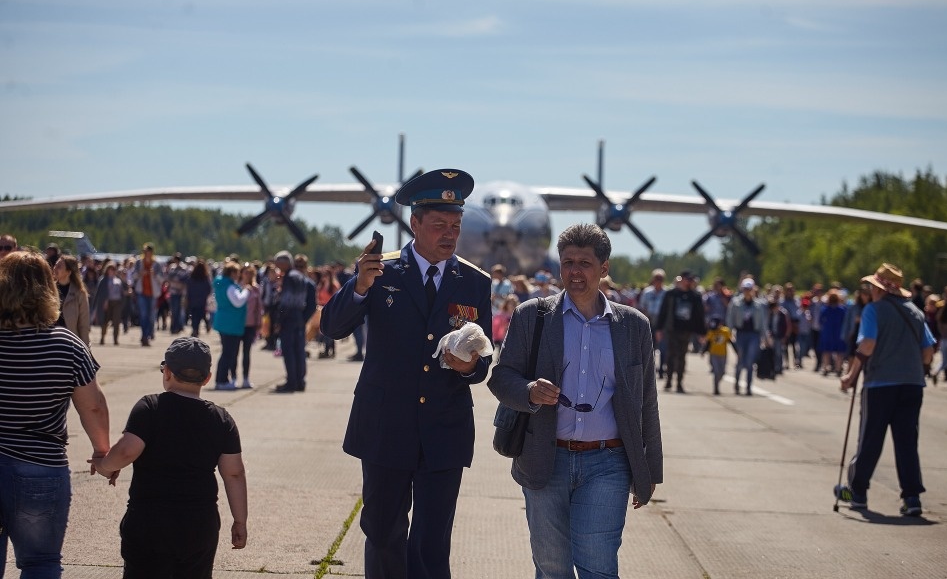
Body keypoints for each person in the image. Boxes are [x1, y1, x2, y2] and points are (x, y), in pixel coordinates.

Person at [320, 168, 492, 579]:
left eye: (455, 225)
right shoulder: (381, 272)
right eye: (439, 225)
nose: (449, 234)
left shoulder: (473, 281)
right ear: (415, 224)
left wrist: (471, 367)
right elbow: (331, 327)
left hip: (443, 430)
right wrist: (358, 287)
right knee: (382, 536)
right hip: (386, 428)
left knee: (431, 547)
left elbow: (482, 358)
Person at [487, 223, 663, 578]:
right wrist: (529, 392)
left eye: (584, 263)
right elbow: (501, 378)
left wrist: (650, 469)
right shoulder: (531, 316)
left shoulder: (633, 325)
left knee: (598, 566)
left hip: (608, 463)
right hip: (545, 460)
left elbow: (646, 400)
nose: (574, 272)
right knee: (552, 568)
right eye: (568, 262)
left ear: (604, 268)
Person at [94, 336, 248, 576]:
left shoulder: (150, 407)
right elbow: (234, 473)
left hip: (149, 521)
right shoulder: (221, 419)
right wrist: (240, 520)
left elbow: (126, 450)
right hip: (198, 523)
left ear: (166, 372)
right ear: (207, 378)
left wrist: (105, 465)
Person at [0, 250, 111, 577]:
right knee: (41, 563)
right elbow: (93, 405)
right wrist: (102, 451)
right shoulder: (67, 344)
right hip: (40, 468)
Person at [835, 263, 935, 517]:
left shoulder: (873, 311)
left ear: (879, 289)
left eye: (871, 286)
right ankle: (912, 498)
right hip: (912, 385)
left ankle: (857, 492)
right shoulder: (915, 312)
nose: (868, 290)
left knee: (870, 438)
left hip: (880, 384)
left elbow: (867, 344)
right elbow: (928, 350)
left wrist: (851, 375)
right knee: (906, 441)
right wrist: (916, 368)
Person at [655, 269, 706, 393]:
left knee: (682, 357)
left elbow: (700, 315)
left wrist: (702, 333)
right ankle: (669, 380)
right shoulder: (671, 294)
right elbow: (663, 311)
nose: (689, 282)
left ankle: (679, 382)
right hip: (672, 329)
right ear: (681, 279)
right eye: (687, 279)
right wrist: (659, 328)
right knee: (670, 355)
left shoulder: (695, 296)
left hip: (686, 330)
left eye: (691, 280)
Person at [272, 250, 315, 393]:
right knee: (299, 351)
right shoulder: (300, 277)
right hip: (299, 317)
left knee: (289, 351)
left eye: (279, 263)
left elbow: (286, 302)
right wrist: (303, 319)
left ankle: (291, 382)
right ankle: (299, 381)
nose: (277, 266)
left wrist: (279, 320)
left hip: (289, 318)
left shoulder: (289, 277)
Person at [726, 277, 769, 396]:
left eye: (749, 289)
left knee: (750, 362)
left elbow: (763, 322)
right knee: (740, 361)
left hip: (754, 335)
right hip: (740, 334)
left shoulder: (759, 305)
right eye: (745, 289)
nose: (747, 291)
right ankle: (737, 383)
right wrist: (729, 333)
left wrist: (765, 337)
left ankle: (749, 386)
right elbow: (730, 319)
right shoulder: (736, 303)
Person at [212, 261, 250, 391]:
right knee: (228, 354)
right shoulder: (230, 286)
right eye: (237, 272)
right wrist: (246, 291)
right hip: (230, 324)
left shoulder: (221, 284)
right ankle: (221, 380)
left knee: (226, 353)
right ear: (232, 273)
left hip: (224, 322)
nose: (238, 275)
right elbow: (238, 302)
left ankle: (222, 379)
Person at [53, 253, 91, 346]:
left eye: (59, 266)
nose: (55, 268)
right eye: (55, 265)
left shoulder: (80, 293)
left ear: (68, 272)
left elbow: (83, 324)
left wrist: (85, 347)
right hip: (51, 341)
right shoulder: (49, 290)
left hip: (71, 342)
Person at [131, 243, 165, 347]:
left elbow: (162, 280)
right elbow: (133, 276)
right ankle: (144, 336)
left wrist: (154, 274)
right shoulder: (139, 263)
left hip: (153, 293)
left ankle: (149, 334)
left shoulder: (157, 264)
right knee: (143, 314)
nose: (147, 254)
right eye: (145, 252)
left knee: (151, 316)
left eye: (149, 252)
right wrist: (141, 273)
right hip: (141, 292)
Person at [639, 268, 668, 377]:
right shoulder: (647, 292)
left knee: (663, 346)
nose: (658, 281)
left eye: (660, 279)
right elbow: (642, 306)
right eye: (656, 278)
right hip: (649, 320)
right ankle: (650, 369)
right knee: (650, 347)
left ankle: (662, 369)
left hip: (662, 322)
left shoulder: (666, 293)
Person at [239, 263, 264, 388]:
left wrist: (259, 323)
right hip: (237, 324)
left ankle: (245, 378)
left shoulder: (256, 289)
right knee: (234, 352)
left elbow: (259, 308)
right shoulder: (237, 287)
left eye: (250, 273)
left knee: (246, 352)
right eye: (245, 272)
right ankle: (232, 377)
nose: (248, 275)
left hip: (250, 324)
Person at [93, 261, 125, 345]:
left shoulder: (118, 280)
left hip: (117, 302)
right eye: (110, 269)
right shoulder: (103, 280)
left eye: (114, 269)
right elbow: (100, 293)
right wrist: (104, 301)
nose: (112, 271)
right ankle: (102, 337)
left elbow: (121, 291)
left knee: (116, 321)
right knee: (105, 321)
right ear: (107, 270)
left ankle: (115, 339)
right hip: (107, 303)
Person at [703, 315, 736, 395]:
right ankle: (716, 388)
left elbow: (731, 342)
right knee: (716, 371)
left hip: (723, 354)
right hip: (713, 354)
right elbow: (708, 343)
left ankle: (717, 382)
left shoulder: (725, 331)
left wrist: (737, 351)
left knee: (722, 372)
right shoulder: (711, 332)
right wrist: (703, 351)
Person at [186, 259, 213, 338]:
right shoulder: (205, 278)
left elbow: (188, 288)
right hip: (202, 300)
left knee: (194, 315)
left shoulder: (192, 277)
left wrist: (189, 298)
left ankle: (195, 329)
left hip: (193, 300)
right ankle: (201, 326)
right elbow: (209, 288)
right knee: (201, 314)